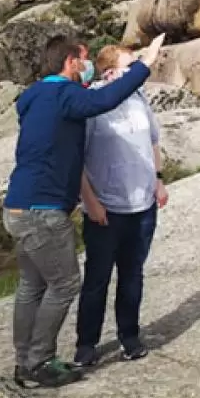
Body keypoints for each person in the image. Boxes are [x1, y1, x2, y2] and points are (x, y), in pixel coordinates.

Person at [2, 33, 165, 389]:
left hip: (18, 205)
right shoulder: (65, 95)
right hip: (43, 209)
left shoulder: (35, 95)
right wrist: (145, 63)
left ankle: (23, 361)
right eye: (84, 58)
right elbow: (105, 99)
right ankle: (40, 361)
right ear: (71, 62)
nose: (87, 63)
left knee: (32, 286)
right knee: (65, 284)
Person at [74, 44, 168, 367]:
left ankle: (129, 336)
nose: (137, 72)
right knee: (97, 279)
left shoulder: (139, 99)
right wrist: (91, 201)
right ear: (111, 73)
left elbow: (153, 140)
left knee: (132, 275)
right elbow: (77, 160)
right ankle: (87, 343)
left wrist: (158, 178)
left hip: (142, 206)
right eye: (131, 66)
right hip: (106, 209)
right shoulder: (93, 103)